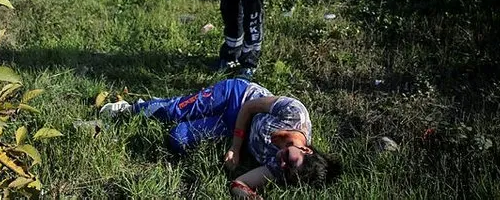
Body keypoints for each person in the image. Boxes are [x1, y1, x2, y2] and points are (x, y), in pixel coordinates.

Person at [100, 78, 342, 194]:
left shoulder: (282, 167)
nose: (281, 163)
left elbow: (240, 183)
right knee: (176, 110)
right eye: (289, 160)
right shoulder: (294, 113)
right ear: (306, 149)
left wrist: (248, 197)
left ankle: (175, 111)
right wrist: (236, 147)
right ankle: (132, 108)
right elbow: (250, 108)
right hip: (237, 97)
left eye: (286, 169)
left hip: (230, 126)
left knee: (178, 139)